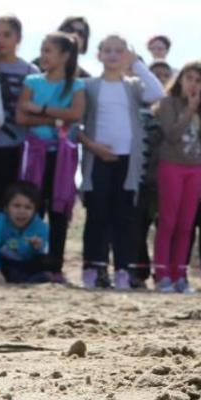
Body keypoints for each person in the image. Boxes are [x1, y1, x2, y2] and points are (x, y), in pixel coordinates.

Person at [77, 35, 165, 289]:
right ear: (99, 55)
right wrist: (93, 147)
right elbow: (77, 126)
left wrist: (136, 62)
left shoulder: (133, 85)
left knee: (123, 218)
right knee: (97, 215)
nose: (113, 55)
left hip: (128, 162)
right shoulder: (89, 86)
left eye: (119, 51)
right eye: (108, 50)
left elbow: (157, 92)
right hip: (98, 160)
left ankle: (123, 271)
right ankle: (93, 268)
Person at [16, 32, 86, 280]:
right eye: (42, 49)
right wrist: (56, 117)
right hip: (34, 155)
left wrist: (40, 109)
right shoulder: (32, 81)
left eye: (49, 50)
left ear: (65, 55)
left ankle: (55, 265)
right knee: (33, 208)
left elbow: (76, 114)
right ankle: (28, 264)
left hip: (62, 158)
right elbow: (21, 116)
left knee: (58, 209)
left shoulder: (77, 85)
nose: (43, 55)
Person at [151, 61, 201, 293]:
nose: (193, 84)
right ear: (180, 80)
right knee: (168, 222)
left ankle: (179, 275)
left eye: (198, 81)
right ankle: (162, 275)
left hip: (195, 170)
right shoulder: (168, 103)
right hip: (171, 166)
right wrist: (189, 110)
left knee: (187, 225)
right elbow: (172, 134)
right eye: (189, 79)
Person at [0, 16, 37, 210]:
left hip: (15, 147)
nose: (0, 40)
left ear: (18, 38)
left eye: (6, 35)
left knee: (7, 205)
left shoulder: (30, 71)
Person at [0, 181, 49, 284]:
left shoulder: (41, 227)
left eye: (28, 207)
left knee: (44, 263)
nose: (21, 211)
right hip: (3, 263)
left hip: (25, 264)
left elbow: (37, 254)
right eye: (16, 206)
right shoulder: (0, 222)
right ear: (6, 208)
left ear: (35, 211)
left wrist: (37, 247)